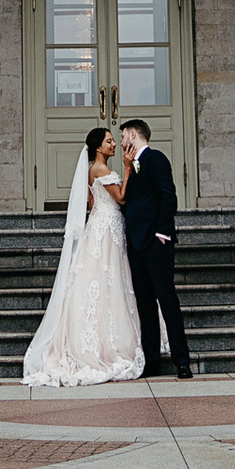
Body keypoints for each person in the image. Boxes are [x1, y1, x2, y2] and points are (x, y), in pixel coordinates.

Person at [19, 126, 144, 385]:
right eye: (109, 141)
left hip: (106, 226)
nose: (113, 145)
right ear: (98, 147)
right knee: (102, 279)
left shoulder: (97, 170)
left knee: (106, 280)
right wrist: (128, 168)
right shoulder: (100, 169)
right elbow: (120, 198)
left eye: (113, 141)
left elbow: (93, 200)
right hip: (105, 230)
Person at [118, 118, 192, 377]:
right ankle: (151, 362)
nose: (121, 141)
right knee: (145, 304)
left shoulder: (156, 159)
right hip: (136, 244)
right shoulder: (130, 165)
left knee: (167, 301)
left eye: (123, 135)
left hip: (156, 242)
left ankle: (182, 360)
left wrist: (162, 233)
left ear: (134, 134)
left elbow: (167, 196)